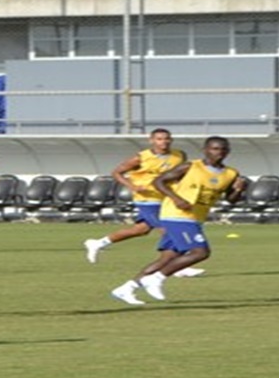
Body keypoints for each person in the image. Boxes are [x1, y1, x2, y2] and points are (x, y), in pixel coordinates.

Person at [110, 136, 246, 305]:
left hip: (195, 218)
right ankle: (156, 279)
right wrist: (176, 198)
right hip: (176, 215)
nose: (219, 152)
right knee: (200, 252)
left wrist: (239, 190)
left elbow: (231, 199)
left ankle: (126, 289)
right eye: (215, 149)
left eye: (223, 149)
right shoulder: (190, 167)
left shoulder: (231, 173)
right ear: (205, 150)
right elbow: (159, 181)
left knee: (167, 259)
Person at [82, 129, 206, 277]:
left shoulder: (179, 155)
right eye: (159, 139)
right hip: (147, 200)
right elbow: (116, 172)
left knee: (141, 230)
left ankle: (98, 243)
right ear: (151, 140)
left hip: (166, 198)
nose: (163, 142)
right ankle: (177, 265)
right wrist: (132, 186)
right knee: (168, 229)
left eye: (167, 139)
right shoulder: (140, 158)